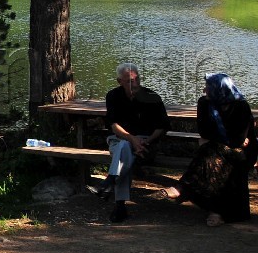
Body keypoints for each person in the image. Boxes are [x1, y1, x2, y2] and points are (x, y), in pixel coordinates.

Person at [166, 73, 257, 226]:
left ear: (219, 89)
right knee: (214, 157)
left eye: (208, 87)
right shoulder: (204, 103)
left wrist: (219, 139)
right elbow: (204, 131)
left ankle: (184, 187)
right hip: (219, 150)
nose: (204, 90)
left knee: (210, 150)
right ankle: (218, 211)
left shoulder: (240, 106)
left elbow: (238, 140)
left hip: (244, 153)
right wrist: (226, 139)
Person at [99, 62, 169, 223]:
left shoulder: (152, 97)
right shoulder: (113, 96)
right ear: (119, 81)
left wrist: (145, 141)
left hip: (147, 144)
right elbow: (113, 125)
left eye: (137, 79)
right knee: (124, 146)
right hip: (120, 140)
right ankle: (116, 198)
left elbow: (163, 127)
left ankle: (115, 196)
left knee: (124, 151)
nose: (135, 83)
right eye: (130, 81)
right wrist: (132, 139)